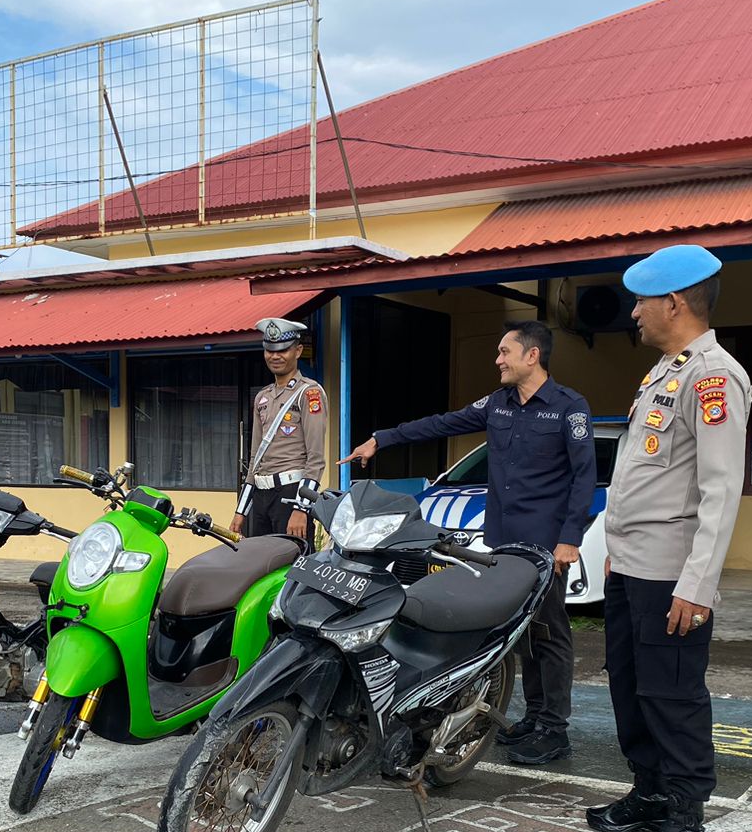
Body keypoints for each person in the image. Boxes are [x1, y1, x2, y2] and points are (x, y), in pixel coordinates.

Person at [339, 322, 596, 765]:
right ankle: (535, 718)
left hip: (545, 545)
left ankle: (555, 729)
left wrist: (570, 539)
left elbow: (584, 477)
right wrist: (383, 439)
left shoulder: (569, 408)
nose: (497, 359)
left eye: (504, 351)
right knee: (521, 633)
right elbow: (442, 423)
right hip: (502, 544)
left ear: (532, 356)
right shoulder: (498, 404)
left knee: (550, 632)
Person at [584, 244, 752, 832]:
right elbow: (642, 479)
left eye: (641, 302)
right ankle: (649, 792)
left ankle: (686, 819)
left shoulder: (713, 378)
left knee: (672, 693)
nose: (633, 313)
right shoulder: (664, 372)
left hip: (672, 575)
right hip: (633, 567)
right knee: (629, 686)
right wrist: (615, 558)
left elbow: (720, 489)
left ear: (674, 303)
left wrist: (698, 583)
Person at [231, 318, 327, 541]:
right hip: (261, 496)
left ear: (298, 351)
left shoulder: (309, 393)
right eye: (270, 350)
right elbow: (255, 458)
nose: (275, 356)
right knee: (259, 565)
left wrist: (301, 508)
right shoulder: (262, 397)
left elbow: (316, 459)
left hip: (290, 493)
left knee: (291, 565)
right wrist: (241, 510)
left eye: (283, 350)